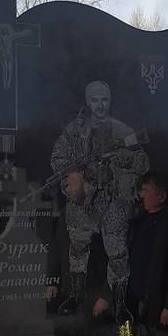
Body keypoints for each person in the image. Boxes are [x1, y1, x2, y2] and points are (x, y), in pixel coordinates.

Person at [49, 80, 149, 321]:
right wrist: (76, 175)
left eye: (104, 99)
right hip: (84, 200)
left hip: (113, 199)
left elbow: (142, 162)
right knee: (78, 248)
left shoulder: (122, 131)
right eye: (95, 100)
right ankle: (76, 295)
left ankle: (119, 304)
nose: (100, 105)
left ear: (110, 101)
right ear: (88, 102)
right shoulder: (75, 131)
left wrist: (123, 158)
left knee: (118, 254)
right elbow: (58, 158)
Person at [94, 170, 168, 336]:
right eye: (141, 190)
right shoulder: (136, 224)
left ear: (161, 195)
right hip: (133, 307)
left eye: (146, 190)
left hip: (158, 309)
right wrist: (107, 295)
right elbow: (121, 262)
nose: (141, 195)